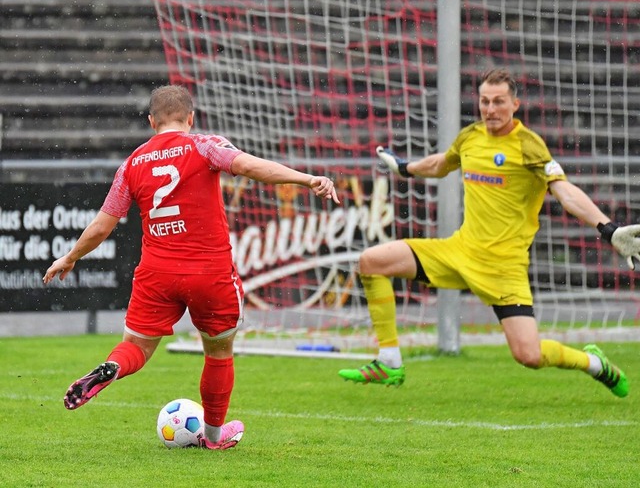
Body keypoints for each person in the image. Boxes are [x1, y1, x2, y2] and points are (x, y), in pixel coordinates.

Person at [43, 84, 340, 450]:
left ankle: (113, 368)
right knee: (218, 351)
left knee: (136, 346)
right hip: (209, 273)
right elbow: (247, 166)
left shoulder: (132, 163)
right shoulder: (204, 145)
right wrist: (305, 178)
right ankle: (213, 437)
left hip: (157, 273)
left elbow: (103, 224)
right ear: (191, 117)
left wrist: (70, 257)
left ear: (152, 122)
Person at [338, 68, 638, 398]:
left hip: (504, 268)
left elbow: (565, 192)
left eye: (498, 102)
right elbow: (442, 163)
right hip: (460, 251)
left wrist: (607, 229)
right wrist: (405, 167)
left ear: (515, 105)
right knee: (372, 261)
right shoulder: (470, 137)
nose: (490, 109)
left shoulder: (529, 146)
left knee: (529, 355)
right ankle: (389, 361)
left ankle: (593, 363)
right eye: (484, 101)